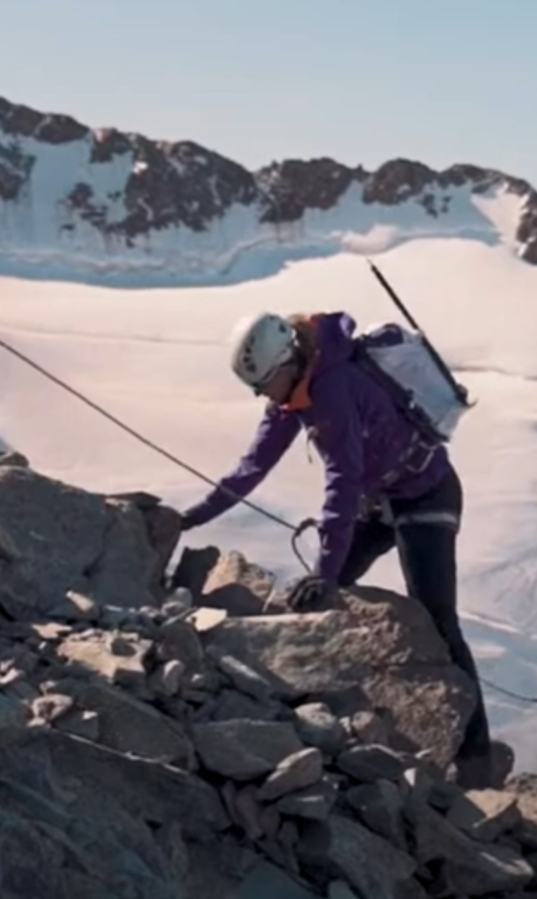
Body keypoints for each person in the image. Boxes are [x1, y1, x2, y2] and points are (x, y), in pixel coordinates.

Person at [178, 310, 503, 789]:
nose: (264, 395)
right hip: (385, 496)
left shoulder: (330, 391)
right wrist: (192, 517)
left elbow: (342, 482)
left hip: (425, 493)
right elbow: (252, 466)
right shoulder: (296, 391)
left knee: (437, 616)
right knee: (326, 594)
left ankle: (477, 760)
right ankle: (343, 718)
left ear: (286, 363)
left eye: (265, 384)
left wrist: (327, 571)